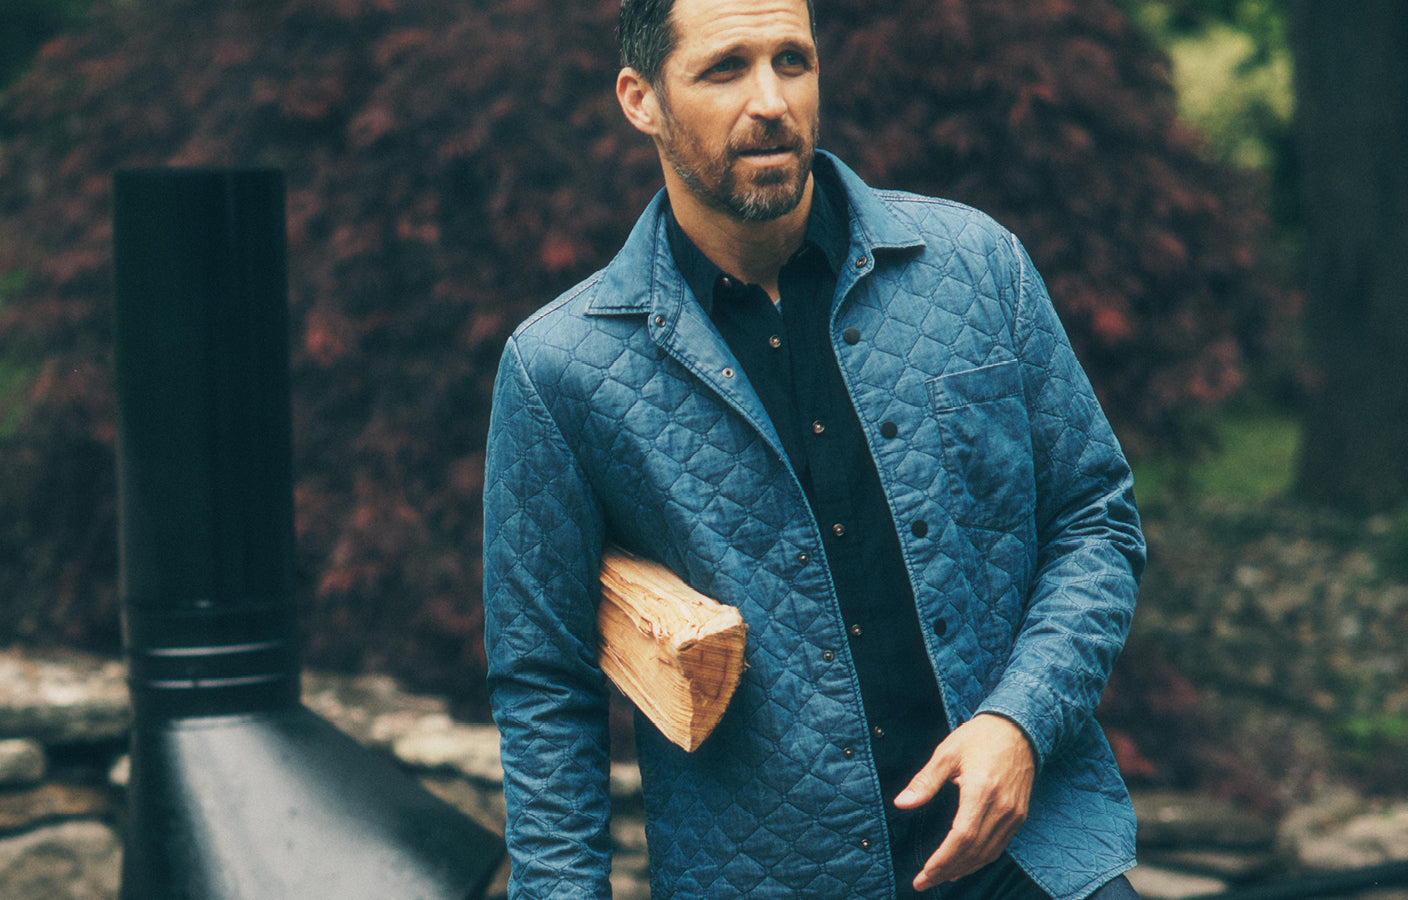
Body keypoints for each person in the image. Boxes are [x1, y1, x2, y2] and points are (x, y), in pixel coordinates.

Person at [480, 0, 1146, 896]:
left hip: (1032, 857)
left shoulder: (976, 266)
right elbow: (545, 685)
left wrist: (1020, 722)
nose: (771, 101)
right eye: (726, 69)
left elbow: (1094, 520)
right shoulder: (561, 368)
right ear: (641, 100)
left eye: (791, 60)